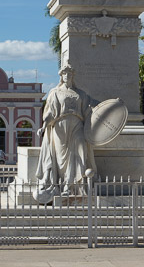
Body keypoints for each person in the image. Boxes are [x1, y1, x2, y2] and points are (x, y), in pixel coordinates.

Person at [34, 63, 97, 203]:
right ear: (61, 76)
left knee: (80, 152)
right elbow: (50, 112)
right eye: (65, 74)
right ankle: (65, 186)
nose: (67, 76)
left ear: (73, 76)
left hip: (77, 125)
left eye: (70, 74)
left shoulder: (80, 93)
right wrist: (44, 126)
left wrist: (106, 107)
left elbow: (88, 109)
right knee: (62, 158)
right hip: (60, 126)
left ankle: (77, 186)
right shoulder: (55, 92)